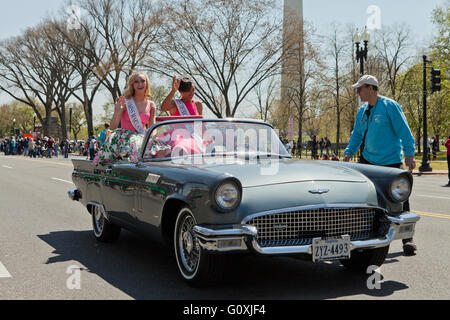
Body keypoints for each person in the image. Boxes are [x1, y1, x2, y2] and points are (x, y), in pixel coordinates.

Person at [343, 75, 417, 256]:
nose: (357, 92)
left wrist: (409, 154)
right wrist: (348, 152)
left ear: (370, 88)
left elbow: (404, 132)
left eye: (359, 89)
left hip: (390, 162)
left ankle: (408, 240)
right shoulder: (362, 111)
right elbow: (357, 135)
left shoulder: (389, 106)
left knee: (400, 200)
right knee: (363, 200)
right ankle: (362, 237)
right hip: (367, 162)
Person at [93, 71, 164, 165]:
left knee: (163, 150)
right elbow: (112, 128)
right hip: (125, 137)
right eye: (136, 82)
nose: (140, 84)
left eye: (143, 81)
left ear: (146, 83)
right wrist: (117, 110)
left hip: (142, 136)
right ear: (132, 85)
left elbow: (152, 127)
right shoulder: (126, 102)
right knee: (136, 147)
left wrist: (153, 137)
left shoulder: (151, 104)